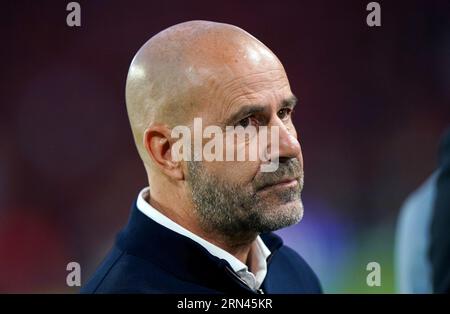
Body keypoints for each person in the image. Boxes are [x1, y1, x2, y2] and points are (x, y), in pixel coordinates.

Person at [82, 20, 322, 294]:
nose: (288, 147)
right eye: (246, 122)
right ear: (169, 152)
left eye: (284, 113)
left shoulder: (295, 275)